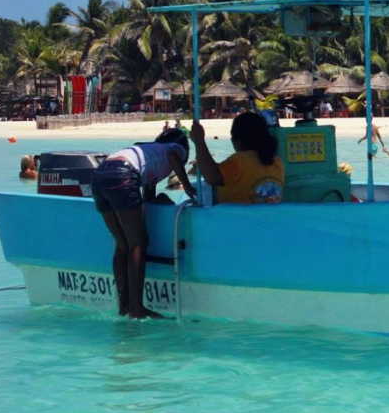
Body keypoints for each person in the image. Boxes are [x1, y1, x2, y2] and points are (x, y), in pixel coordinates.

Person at [91, 126, 195, 318]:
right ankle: (137, 309)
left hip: (99, 176)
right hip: (123, 175)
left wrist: (158, 199)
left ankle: (124, 306)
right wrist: (188, 188)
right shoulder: (176, 148)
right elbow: (174, 155)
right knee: (138, 243)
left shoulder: (150, 151)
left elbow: (147, 193)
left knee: (122, 244)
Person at [190, 113, 284, 204]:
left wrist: (199, 141)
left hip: (237, 215)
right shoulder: (277, 163)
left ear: (237, 140)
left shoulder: (240, 161)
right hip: (268, 214)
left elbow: (212, 178)